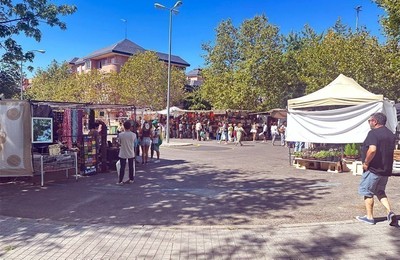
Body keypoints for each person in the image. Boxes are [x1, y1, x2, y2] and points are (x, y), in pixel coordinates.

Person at [356, 112, 397, 226]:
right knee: (380, 191)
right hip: (386, 170)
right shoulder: (390, 134)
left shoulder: (373, 133)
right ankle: (390, 212)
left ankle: (369, 217)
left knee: (368, 192)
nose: (369, 123)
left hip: (373, 169)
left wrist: (366, 163)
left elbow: (372, 149)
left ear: (375, 121)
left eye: (370, 121)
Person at [116, 121, 136, 185]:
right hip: (131, 152)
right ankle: (131, 179)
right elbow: (135, 143)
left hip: (123, 152)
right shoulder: (133, 135)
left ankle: (120, 180)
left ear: (124, 126)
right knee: (131, 166)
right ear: (130, 127)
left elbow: (119, 143)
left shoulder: (121, 135)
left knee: (122, 167)